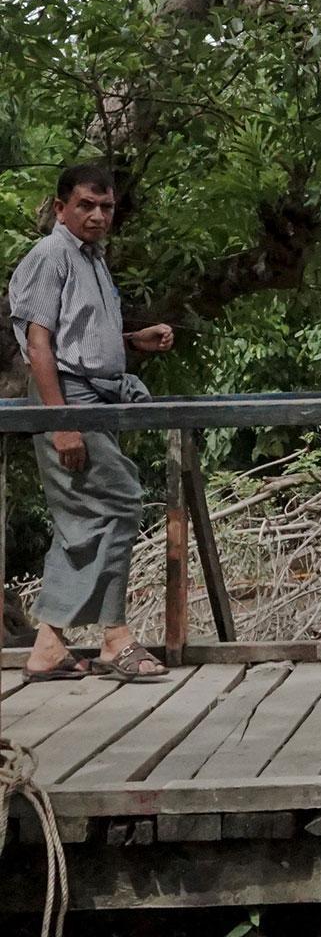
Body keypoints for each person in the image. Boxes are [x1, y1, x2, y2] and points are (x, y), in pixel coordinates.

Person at [7, 163, 173, 684]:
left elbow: (77, 335)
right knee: (123, 498)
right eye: (86, 205)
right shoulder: (50, 255)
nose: (98, 215)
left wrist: (131, 341)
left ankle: (50, 647)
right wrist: (62, 423)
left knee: (83, 522)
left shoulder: (93, 258)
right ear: (61, 208)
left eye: (106, 207)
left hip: (93, 395)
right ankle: (115, 636)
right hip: (67, 399)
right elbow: (39, 344)